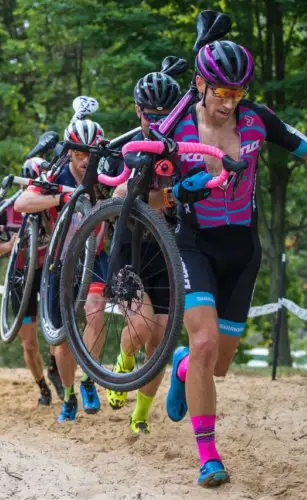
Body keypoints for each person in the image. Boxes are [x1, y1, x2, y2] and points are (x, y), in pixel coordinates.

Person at [161, 17, 307, 487]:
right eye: (221, 92)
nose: (230, 102)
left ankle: (184, 367)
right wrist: (175, 193)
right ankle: (208, 455)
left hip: (242, 249)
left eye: (238, 92)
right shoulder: (176, 125)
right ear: (201, 83)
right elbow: (149, 195)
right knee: (205, 341)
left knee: (217, 364)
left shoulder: (256, 119)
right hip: (194, 244)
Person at [14, 119, 108, 422]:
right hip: (61, 259)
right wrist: (62, 196)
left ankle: (89, 380)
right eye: (79, 153)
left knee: (95, 309)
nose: (85, 160)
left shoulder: (108, 171)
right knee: (60, 339)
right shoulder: (56, 173)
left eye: (91, 153)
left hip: (96, 254)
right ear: (69, 153)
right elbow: (22, 203)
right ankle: (68, 396)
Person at [104, 70, 181, 435]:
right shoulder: (131, 145)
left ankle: (140, 416)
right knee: (139, 325)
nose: (158, 122)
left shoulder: (185, 145)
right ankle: (123, 360)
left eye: (165, 114)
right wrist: (166, 197)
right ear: (138, 111)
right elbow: (118, 197)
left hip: (167, 252)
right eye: (151, 115)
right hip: (131, 247)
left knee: (161, 341)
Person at [0, 157, 64, 405]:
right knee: (29, 342)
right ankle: (42, 386)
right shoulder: (9, 209)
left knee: (55, 330)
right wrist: (9, 245)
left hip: (48, 271)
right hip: (20, 276)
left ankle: (54, 369)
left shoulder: (50, 204)